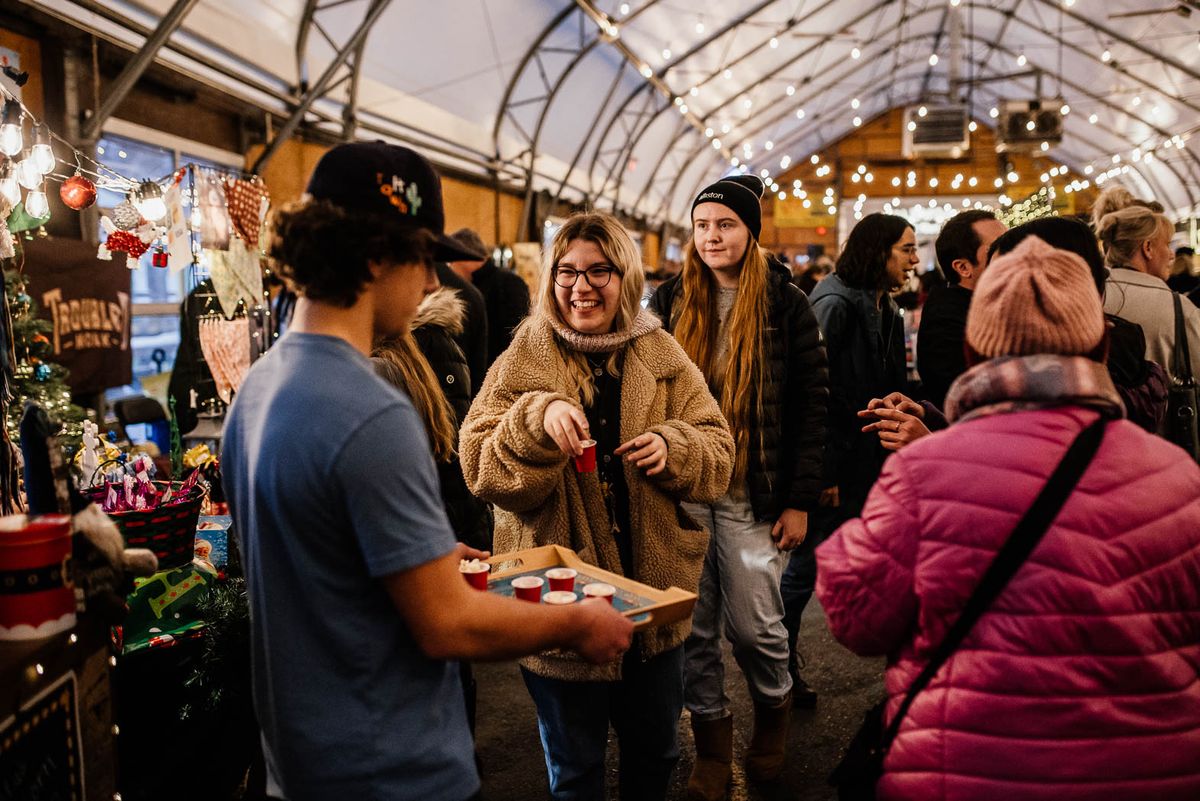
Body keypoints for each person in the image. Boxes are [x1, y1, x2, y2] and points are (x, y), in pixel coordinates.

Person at [221, 142, 633, 801]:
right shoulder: (370, 412)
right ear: (377, 254)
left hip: (298, 766)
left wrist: (427, 558)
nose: (433, 284)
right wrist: (577, 622)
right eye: (423, 259)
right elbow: (448, 624)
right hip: (392, 770)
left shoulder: (259, 390)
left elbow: (314, 563)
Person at [816, 235, 1200, 801]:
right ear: (1100, 344)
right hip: (1151, 771)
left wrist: (855, 532)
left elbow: (859, 623)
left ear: (975, 349)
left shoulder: (922, 472)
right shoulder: (1177, 477)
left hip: (965, 767)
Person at [460, 211, 733, 801]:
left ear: (625, 276)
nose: (580, 287)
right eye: (566, 272)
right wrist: (534, 420)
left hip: (651, 602)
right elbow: (478, 463)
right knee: (575, 767)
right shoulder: (523, 358)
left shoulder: (659, 353)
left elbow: (718, 445)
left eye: (598, 271)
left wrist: (674, 445)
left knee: (655, 754)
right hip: (559, 601)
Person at [648, 174, 828, 798]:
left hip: (755, 490)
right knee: (692, 629)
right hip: (684, 487)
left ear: (750, 232)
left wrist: (801, 499)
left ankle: (773, 711)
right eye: (701, 226)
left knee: (755, 626)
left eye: (724, 225)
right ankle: (712, 743)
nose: (711, 237)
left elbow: (812, 404)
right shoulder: (669, 302)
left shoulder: (786, 302)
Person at [779, 213, 914, 711]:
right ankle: (779, 671)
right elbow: (811, 393)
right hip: (839, 465)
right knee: (804, 571)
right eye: (906, 248)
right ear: (878, 251)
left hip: (868, 463)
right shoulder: (833, 304)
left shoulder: (882, 307)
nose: (915, 259)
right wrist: (823, 471)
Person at [1096, 193, 1200, 384]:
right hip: (1163, 413)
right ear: (1148, 248)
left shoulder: (1090, 296)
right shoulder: (1180, 309)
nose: (1171, 255)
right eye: (1167, 245)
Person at [918, 210, 1007, 409]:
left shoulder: (996, 305)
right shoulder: (945, 320)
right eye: (998, 248)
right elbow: (963, 398)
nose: (1012, 253)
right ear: (963, 267)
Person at [448, 227, 531, 371]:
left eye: (451, 262)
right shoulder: (473, 286)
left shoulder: (509, 283)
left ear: (464, 256)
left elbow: (516, 339)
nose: (450, 268)